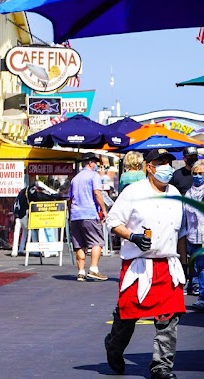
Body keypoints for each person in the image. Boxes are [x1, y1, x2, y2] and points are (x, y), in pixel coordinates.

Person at [104, 149, 187, 378]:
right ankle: (114, 346)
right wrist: (132, 236)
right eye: (161, 163)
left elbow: (181, 233)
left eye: (169, 162)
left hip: (168, 265)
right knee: (128, 315)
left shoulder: (176, 193)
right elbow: (113, 221)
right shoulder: (134, 192)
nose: (167, 167)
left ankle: (161, 366)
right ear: (149, 167)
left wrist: (185, 264)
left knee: (168, 319)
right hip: (138, 266)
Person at [68, 153, 110, 282]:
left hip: (75, 215)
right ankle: (93, 269)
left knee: (79, 244)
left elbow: (69, 198)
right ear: (91, 163)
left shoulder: (75, 179)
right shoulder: (94, 176)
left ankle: (81, 272)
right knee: (97, 241)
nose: (97, 165)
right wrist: (104, 210)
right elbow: (97, 193)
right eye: (96, 163)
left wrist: (72, 212)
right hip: (89, 213)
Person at [183, 158, 204, 306]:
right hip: (192, 236)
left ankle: (202, 297)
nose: (198, 176)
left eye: (201, 173)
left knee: (202, 268)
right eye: (195, 173)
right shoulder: (189, 193)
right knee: (197, 267)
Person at [11, 185, 29, 257]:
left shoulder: (17, 198)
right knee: (26, 231)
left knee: (16, 233)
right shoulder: (26, 197)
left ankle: (14, 251)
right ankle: (21, 248)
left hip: (17, 216)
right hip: (24, 215)